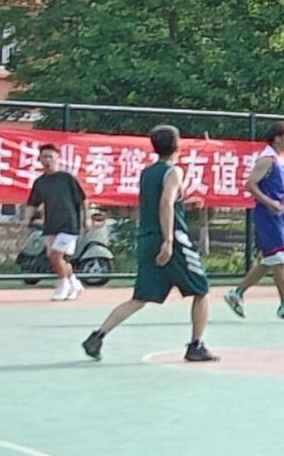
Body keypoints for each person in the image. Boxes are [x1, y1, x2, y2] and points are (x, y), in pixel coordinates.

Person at [83, 125, 216, 362]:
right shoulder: (174, 171)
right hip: (171, 240)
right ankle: (196, 345)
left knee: (140, 298)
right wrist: (169, 240)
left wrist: (184, 205)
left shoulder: (147, 173)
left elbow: (161, 204)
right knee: (201, 290)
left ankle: (98, 335)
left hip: (147, 238)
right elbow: (165, 203)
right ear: (178, 145)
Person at [225, 121, 284, 324]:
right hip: (267, 216)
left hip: (277, 215)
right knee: (280, 258)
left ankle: (237, 293)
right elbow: (250, 185)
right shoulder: (266, 160)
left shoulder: (279, 159)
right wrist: (270, 203)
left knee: (270, 260)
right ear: (277, 138)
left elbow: (273, 187)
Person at [20, 142, 88, 302]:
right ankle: (75, 284)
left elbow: (83, 199)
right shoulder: (40, 182)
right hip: (51, 225)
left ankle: (63, 285)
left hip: (69, 225)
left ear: (57, 158)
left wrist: (87, 218)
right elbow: (33, 203)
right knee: (61, 259)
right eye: (44, 157)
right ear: (39, 159)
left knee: (55, 256)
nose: (47, 160)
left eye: (50, 156)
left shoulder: (67, 178)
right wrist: (26, 219)